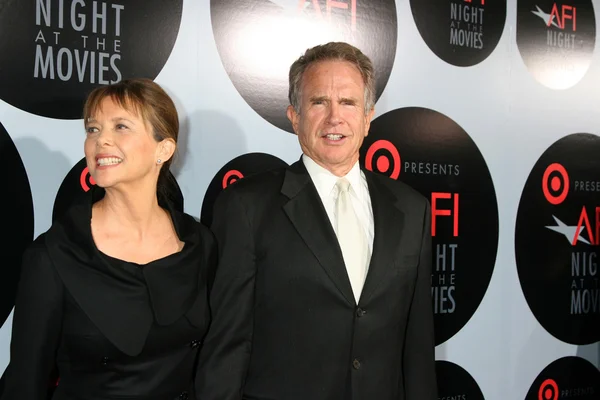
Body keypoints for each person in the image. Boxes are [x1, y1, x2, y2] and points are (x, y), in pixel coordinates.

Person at [196, 42, 436, 400]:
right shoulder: (246, 207)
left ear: (368, 117)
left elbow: (416, 350)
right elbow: (227, 345)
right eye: (319, 102)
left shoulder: (411, 209)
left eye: (349, 103)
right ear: (294, 116)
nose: (334, 118)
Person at [1, 78, 216, 400]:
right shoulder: (54, 255)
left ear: (164, 149)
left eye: (121, 127)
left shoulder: (199, 243)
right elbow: (25, 382)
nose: (101, 142)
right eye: (93, 129)